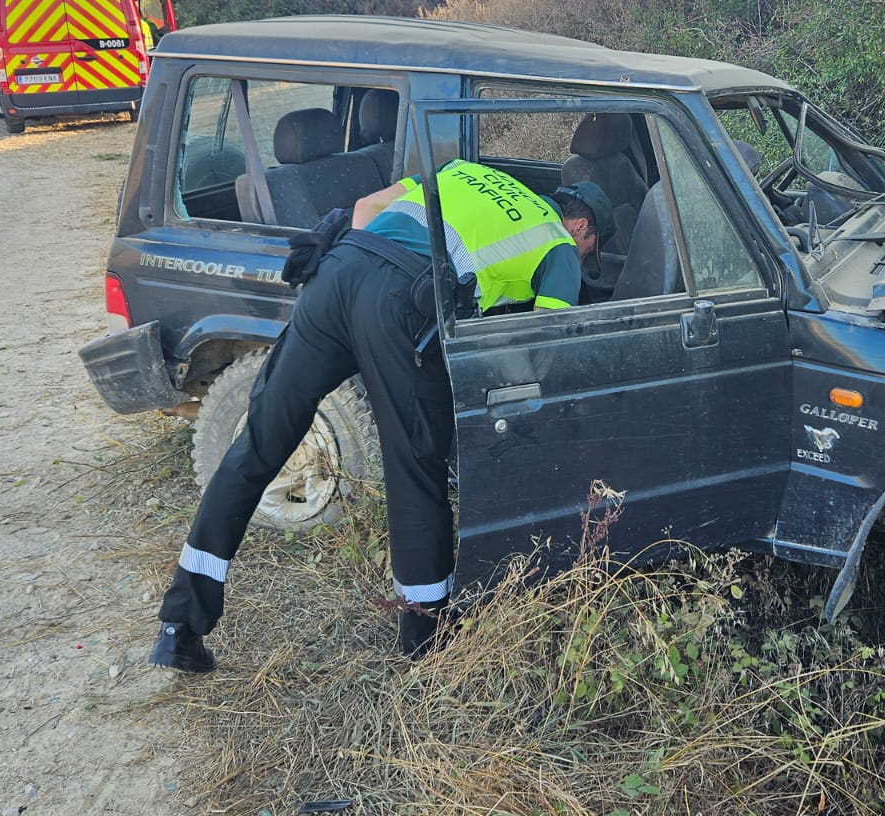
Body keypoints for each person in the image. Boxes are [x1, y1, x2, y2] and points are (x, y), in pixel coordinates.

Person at [150, 160, 615, 671]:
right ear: (581, 227)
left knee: (257, 444)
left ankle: (179, 629)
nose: (583, 255)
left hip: (337, 272)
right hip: (402, 302)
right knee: (414, 466)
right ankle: (424, 636)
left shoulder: (467, 171)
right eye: (590, 248)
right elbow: (544, 350)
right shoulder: (557, 246)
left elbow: (366, 208)